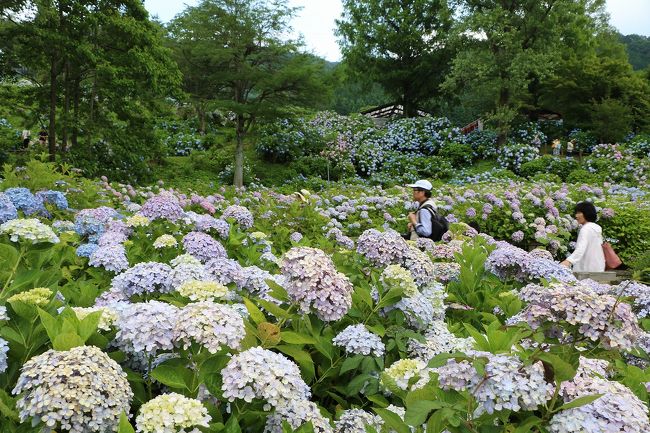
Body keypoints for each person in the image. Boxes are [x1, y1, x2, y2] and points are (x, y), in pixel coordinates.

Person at [560, 201, 605, 272]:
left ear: (587, 213)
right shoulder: (597, 228)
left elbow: (580, 248)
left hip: (585, 269)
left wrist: (568, 261)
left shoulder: (585, 229)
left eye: (579, 213)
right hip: (598, 267)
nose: (576, 216)